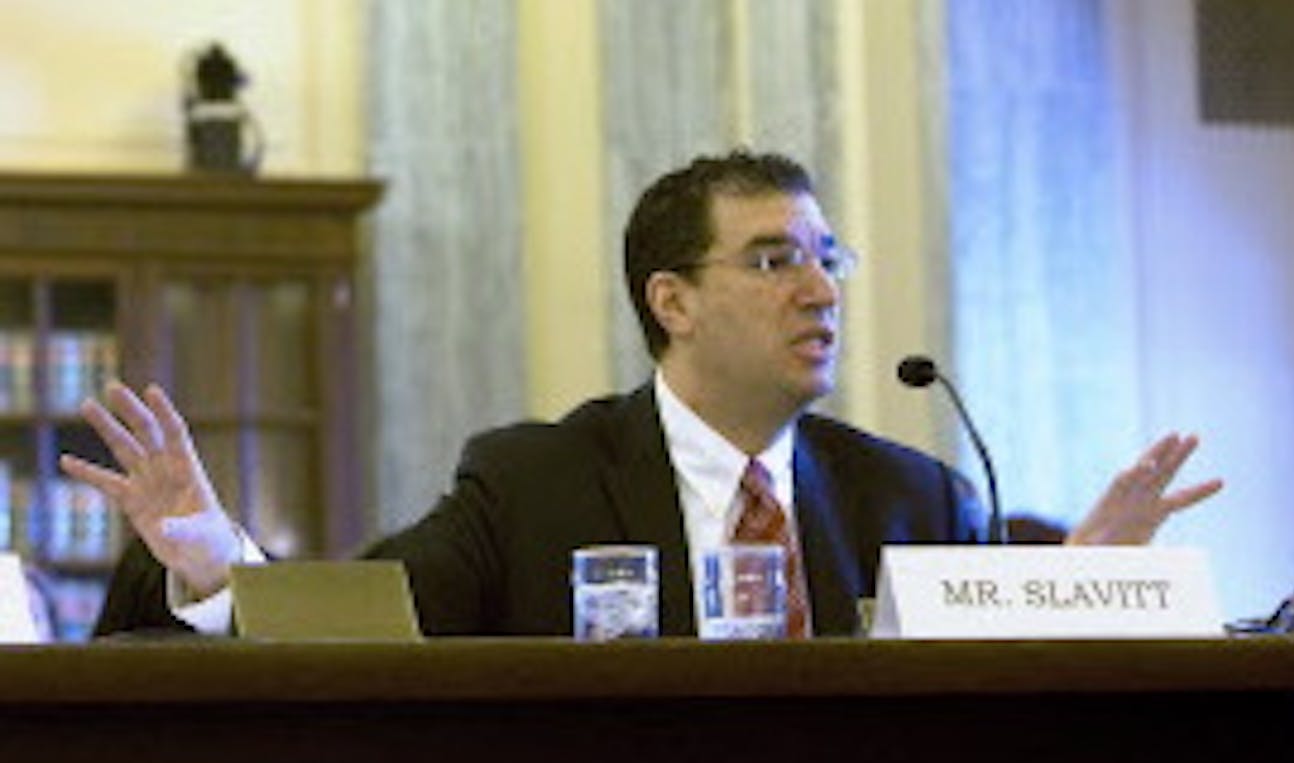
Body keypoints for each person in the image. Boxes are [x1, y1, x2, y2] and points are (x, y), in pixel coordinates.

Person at [62, 150, 1223, 639]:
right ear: (669, 300)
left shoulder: (911, 495)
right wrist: (217, 563)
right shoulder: (531, 483)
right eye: (775, 260)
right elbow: (373, 626)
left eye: (829, 257)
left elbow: (992, 710)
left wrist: (1078, 580)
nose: (820, 289)